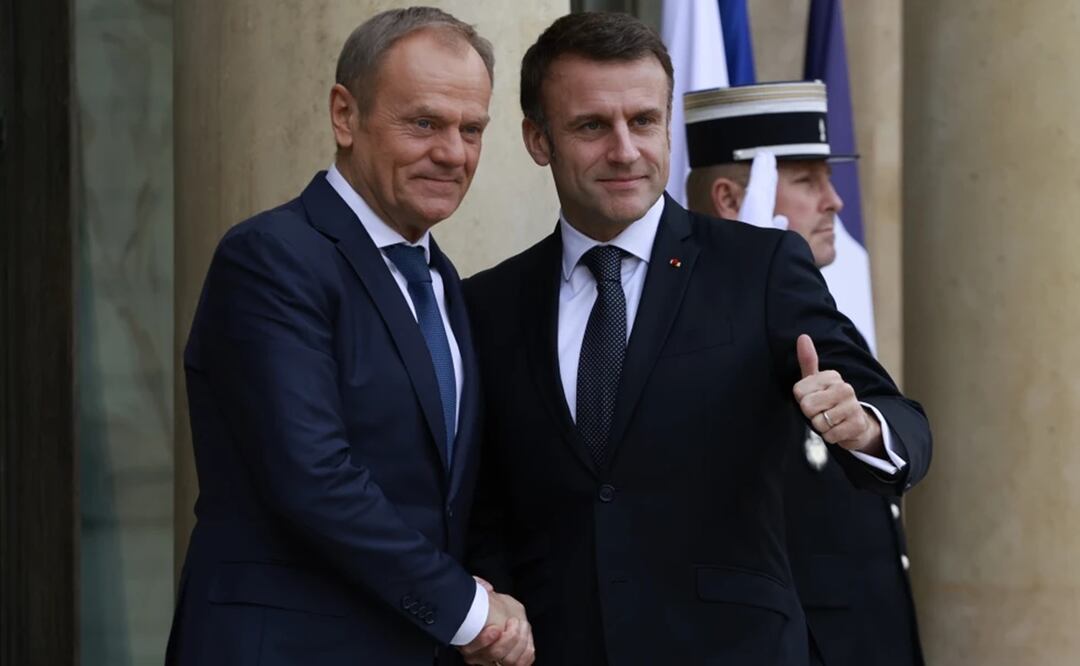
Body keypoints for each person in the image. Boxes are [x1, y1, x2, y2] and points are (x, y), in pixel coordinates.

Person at [462, 13, 930, 666]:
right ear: (538, 139)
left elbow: (897, 415)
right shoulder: (487, 303)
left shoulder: (760, 268)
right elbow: (483, 501)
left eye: (644, 121)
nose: (625, 150)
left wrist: (865, 427)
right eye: (593, 126)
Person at [165, 8, 534, 666]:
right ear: (345, 115)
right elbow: (313, 477)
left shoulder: (443, 283)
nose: (452, 152)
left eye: (470, 129)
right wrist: (470, 612)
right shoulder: (273, 258)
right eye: (424, 122)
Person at [683, 80, 924, 666]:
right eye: (807, 181)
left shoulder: (814, 314)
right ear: (731, 199)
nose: (835, 202)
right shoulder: (698, 323)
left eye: (829, 178)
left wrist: (865, 427)